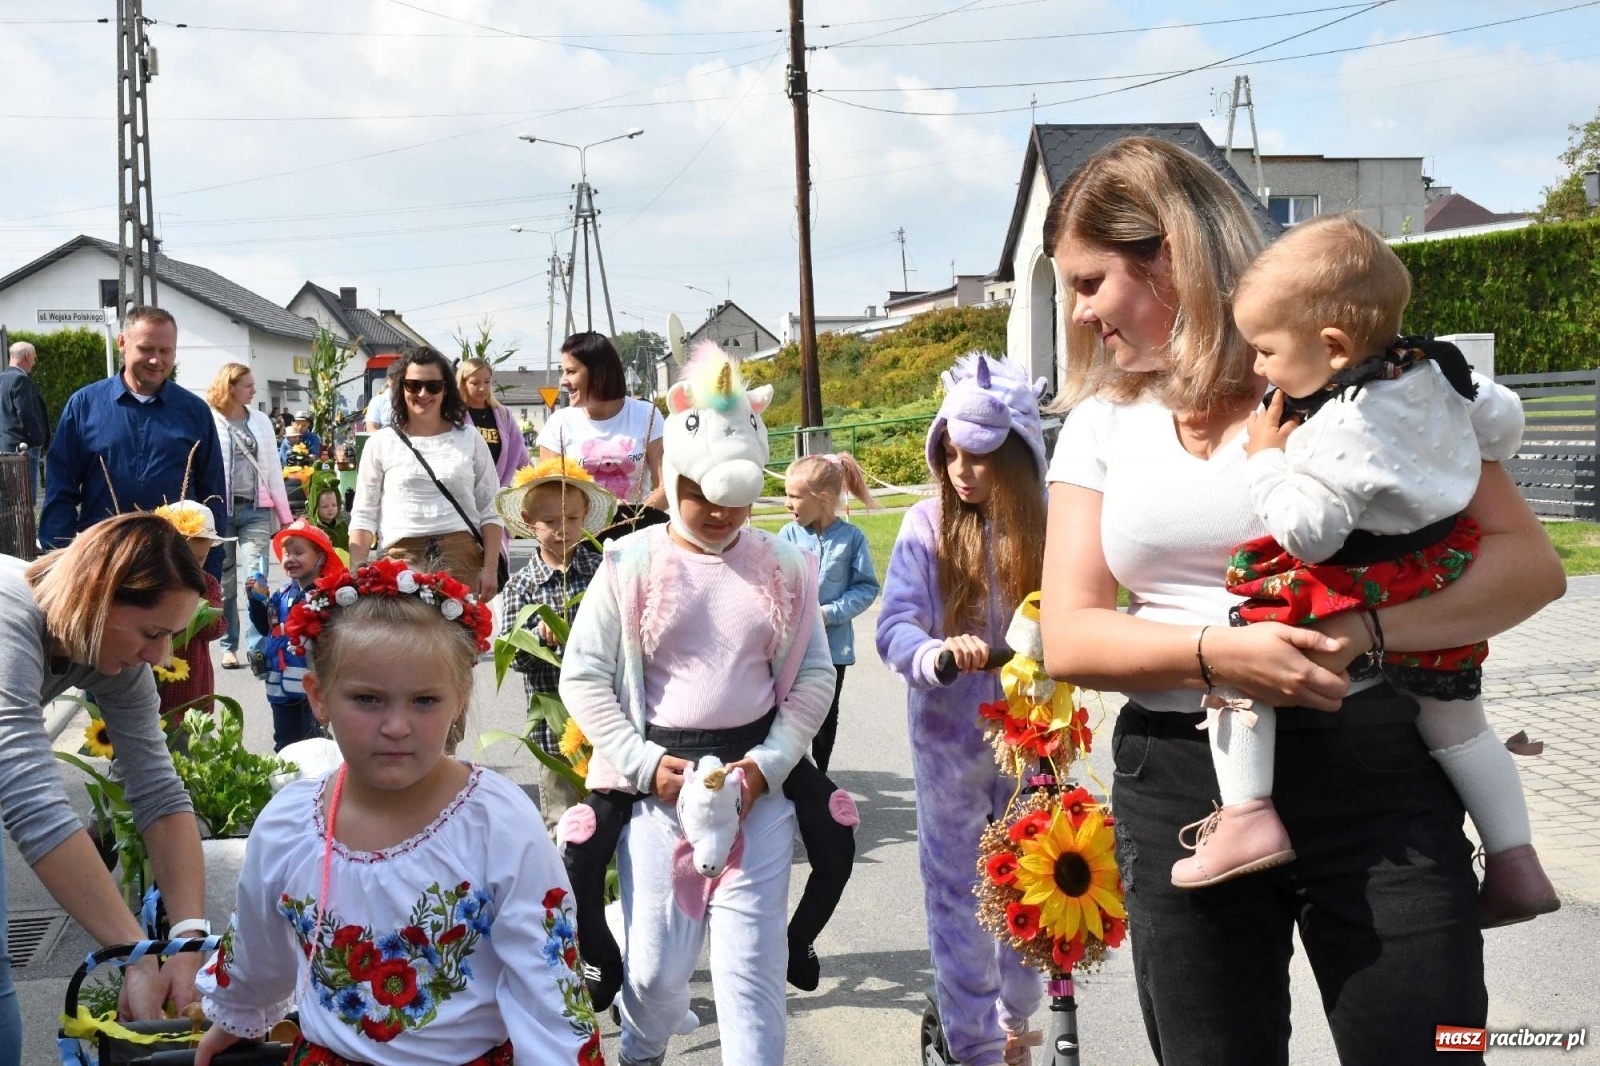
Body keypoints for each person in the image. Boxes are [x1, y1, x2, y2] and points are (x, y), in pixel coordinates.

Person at [1038, 136, 1566, 1065]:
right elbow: (1070, 634)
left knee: (1434, 1050)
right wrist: (1220, 655)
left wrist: (1362, 635)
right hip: (1184, 782)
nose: (1078, 315)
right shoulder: (1099, 424)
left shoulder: (1359, 380)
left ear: (1173, 255)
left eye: (1089, 283)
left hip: (1376, 776)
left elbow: (1530, 567)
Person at [1172, 214, 1561, 925]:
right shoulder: (1441, 368)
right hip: (1440, 569)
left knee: (1239, 665)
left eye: (1266, 350)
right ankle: (1515, 861)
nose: (1258, 368)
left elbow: (1310, 535)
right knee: (1461, 725)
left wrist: (1265, 457)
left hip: (1358, 578)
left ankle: (1247, 814)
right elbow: (1504, 425)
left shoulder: (1344, 428)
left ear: (1333, 347)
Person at [192, 560, 601, 1066]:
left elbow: (547, 983)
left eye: (425, 700)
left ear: (459, 700)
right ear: (318, 697)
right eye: (367, 699)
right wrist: (237, 1016)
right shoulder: (289, 824)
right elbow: (258, 946)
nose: (396, 726)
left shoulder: (496, 823)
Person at [560, 345, 840, 1065]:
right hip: (658, 794)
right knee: (656, 971)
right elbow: (584, 675)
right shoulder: (631, 564)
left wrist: (767, 768)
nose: (718, 513)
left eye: (735, 497)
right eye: (699, 494)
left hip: (757, 791)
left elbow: (813, 675)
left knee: (751, 975)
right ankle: (643, 1049)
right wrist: (645, 765)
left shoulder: (784, 565)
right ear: (672, 476)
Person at [875, 353, 1049, 1066]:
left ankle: (1019, 1020)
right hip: (950, 741)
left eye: (979, 457)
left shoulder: (1045, 527)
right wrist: (934, 655)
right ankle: (972, 1043)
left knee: (1035, 880)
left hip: (1034, 732)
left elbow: (1087, 606)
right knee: (957, 892)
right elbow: (896, 623)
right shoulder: (923, 526)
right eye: (950, 453)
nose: (962, 470)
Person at [0, 513, 213, 1063]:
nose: (160, 657)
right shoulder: (8, 617)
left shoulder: (101, 650)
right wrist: (136, 955)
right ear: (97, 595)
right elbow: (33, 804)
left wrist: (188, 939)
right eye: (152, 633)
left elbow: (158, 788)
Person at [40, 307, 227, 571]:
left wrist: (210, 570)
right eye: (146, 349)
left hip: (174, 567)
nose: (156, 360)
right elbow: (61, 490)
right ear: (122, 344)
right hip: (102, 563)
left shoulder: (194, 411)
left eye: (165, 351)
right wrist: (56, 560)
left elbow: (213, 494)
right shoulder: (84, 406)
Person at [495, 458, 615, 834]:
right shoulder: (522, 585)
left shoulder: (602, 571)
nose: (563, 531)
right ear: (530, 522)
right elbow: (513, 653)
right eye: (550, 522)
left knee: (611, 815)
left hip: (607, 720)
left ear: (585, 517)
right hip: (555, 730)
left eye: (573, 520)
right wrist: (537, 636)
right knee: (563, 822)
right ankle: (565, 888)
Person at [349, 347, 504, 603]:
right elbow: (364, 514)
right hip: (400, 560)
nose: (423, 394)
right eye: (414, 385)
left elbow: (490, 507)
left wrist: (489, 568)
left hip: (461, 558)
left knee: (458, 642)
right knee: (404, 642)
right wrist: (357, 568)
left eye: (433, 386)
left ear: (446, 390)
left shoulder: (469, 438)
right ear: (401, 388)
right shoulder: (381, 441)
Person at [778, 451, 881, 772]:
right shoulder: (787, 536)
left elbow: (866, 588)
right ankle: (789, 771)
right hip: (791, 646)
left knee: (825, 711)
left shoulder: (852, 538)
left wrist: (829, 613)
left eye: (795, 496)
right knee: (788, 709)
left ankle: (819, 776)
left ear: (823, 498)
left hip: (834, 647)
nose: (787, 503)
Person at [207, 363, 295, 672]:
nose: (254, 391)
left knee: (255, 580)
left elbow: (272, 469)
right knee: (226, 584)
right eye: (248, 385)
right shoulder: (210, 419)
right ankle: (229, 645)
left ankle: (257, 649)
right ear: (230, 387)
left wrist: (285, 518)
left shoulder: (259, 421)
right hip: (222, 513)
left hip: (256, 510)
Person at [538, 332, 666, 513]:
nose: (563, 382)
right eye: (562, 372)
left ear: (599, 372)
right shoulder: (558, 423)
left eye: (571, 371)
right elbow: (546, 493)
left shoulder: (647, 415)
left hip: (635, 530)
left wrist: (633, 519)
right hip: (579, 536)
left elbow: (666, 486)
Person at [249, 518, 346, 752]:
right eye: (286, 554)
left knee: (314, 743)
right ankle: (288, 783)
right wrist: (256, 601)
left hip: (311, 687)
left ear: (321, 557)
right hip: (279, 686)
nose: (290, 559)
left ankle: (323, 784)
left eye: (299, 553)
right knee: (284, 744)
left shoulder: (326, 596)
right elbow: (266, 628)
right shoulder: (282, 593)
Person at [150, 502, 230, 737]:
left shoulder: (208, 585)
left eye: (201, 559)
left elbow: (217, 628)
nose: (193, 566)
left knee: (193, 745)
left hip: (193, 685)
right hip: (155, 679)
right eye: (186, 558)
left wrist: (199, 605)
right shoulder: (155, 584)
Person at [460, 356, 532, 488]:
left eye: (487, 382)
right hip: (464, 494)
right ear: (463, 383)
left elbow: (519, 454)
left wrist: (538, 479)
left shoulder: (504, 415)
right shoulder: (456, 416)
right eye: (475, 383)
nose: (482, 388)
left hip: (497, 492)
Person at [0, 340, 49, 505]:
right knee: (25, 503)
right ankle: (25, 533)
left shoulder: (2, 379)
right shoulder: (20, 379)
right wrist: (38, 440)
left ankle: (12, 532)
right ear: (27, 356)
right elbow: (26, 414)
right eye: (34, 358)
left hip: (5, 449)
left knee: (10, 503)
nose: (34, 363)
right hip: (23, 450)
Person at [306, 471, 351, 553]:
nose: (330, 509)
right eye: (325, 506)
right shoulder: (313, 528)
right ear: (315, 507)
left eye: (334, 505)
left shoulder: (342, 525)